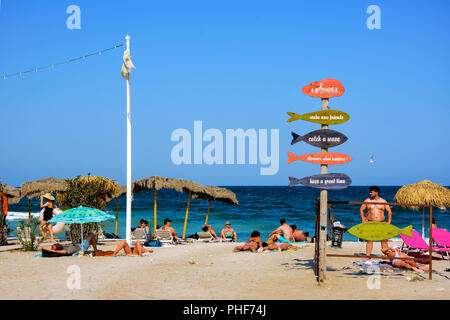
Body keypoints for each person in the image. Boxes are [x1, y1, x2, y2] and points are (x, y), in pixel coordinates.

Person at [360, 186, 392, 259]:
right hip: (370, 223)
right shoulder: (367, 201)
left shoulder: (383, 201)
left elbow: (389, 211)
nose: (370, 193)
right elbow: (361, 209)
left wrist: (389, 222)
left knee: (383, 240)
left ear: (376, 192)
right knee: (369, 240)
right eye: (370, 192)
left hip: (381, 223)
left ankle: (386, 255)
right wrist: (363, 219)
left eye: (371, 192)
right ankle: (368, 255)